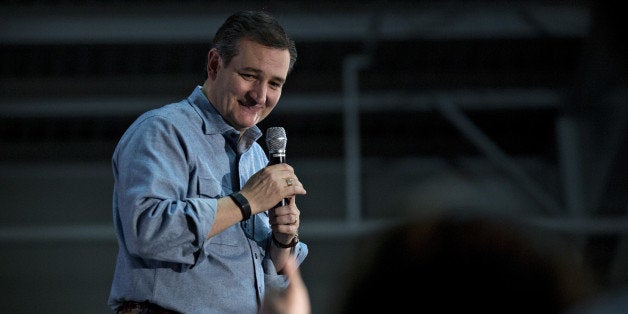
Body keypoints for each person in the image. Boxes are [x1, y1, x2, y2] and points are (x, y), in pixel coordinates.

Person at [107, 10, 308, 314]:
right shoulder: (163, 130)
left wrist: (282, 241)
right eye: (250, 76)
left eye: (275, 84)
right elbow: (146, 232)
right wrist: (247, 201)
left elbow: (262, 276)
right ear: (215, 65)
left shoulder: (257, 156)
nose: (260, 96)